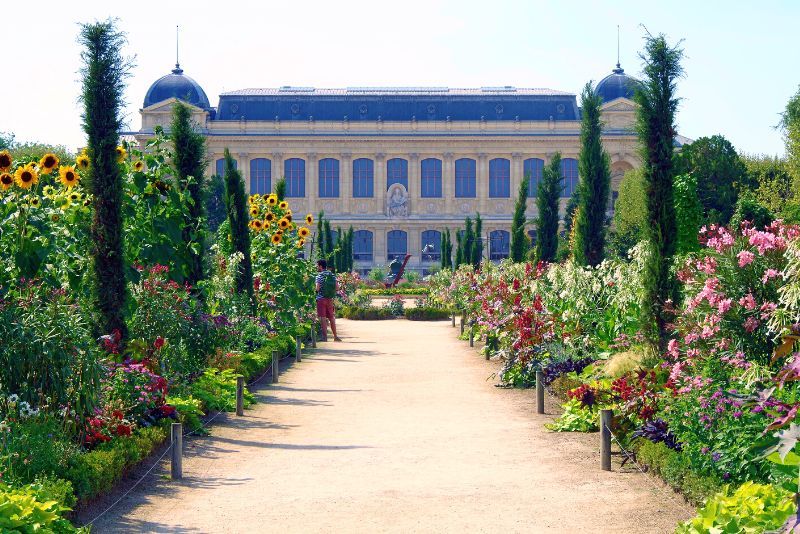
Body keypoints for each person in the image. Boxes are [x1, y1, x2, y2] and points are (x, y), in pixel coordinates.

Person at [315, 259, 341, 342]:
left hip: (321, 299)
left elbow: (317, 288)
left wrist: (316, 292)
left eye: (317, 265)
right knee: (331, 317)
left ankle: (325, 337)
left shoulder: (319, 276)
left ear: (320, 266)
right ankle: (335, 336)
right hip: (329, 299)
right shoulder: (332, 275)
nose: (316, 267)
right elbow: (337, 288)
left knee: (322, 318)